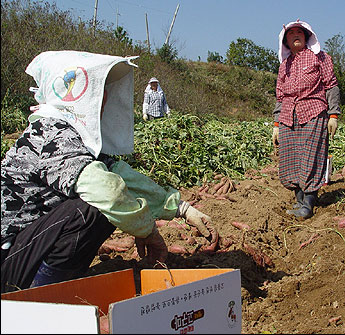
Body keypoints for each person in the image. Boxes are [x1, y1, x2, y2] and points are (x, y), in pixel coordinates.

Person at [1, 51, 215, 293]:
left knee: (103, 196)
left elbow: (120, 176)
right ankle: (38, 300)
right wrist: (147, 230)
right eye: (96, 93)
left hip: (24, 250)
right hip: (7, 258)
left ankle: (59, 289)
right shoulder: (49, 134)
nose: (103, 101)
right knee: (91, 210)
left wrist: (181, 209)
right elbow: (110, 193)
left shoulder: (75, 138)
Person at [272, 19, 341, 220]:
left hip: (313, 112)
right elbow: (280, 96)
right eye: (291, 33)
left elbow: (331, 86)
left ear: (307, 36)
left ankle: (309, 202)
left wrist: (334, 115)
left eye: (299, 33)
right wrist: (276, 124)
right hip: (288, 116)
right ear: (285, 40)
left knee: (311, 157)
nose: (295, 36)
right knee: (290, 159)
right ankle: (299, 200)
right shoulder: (284, 65)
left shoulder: (320, 58)